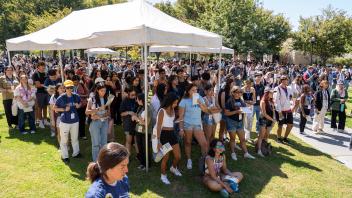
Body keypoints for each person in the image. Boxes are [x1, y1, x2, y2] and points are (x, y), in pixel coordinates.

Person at [179, 83, 209, 170]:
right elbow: (181, 116)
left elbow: (205, 110)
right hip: (187, 124)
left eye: (196, 90)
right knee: (188, 142)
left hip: (197, 124)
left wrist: (200, 104)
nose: (195, 92)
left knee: (204, 143)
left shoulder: (199, 97)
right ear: (188, 91)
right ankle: (189, 159)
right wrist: (181, 128)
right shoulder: (184, 101)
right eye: (193, 90)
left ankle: (205, 161)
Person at [155, 92, 182, 184]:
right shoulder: (162, 111)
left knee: (178, 156)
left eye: (177, 103)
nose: (176, 104)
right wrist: (158, 141)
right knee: (165, 157)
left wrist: (178, 120)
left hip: (172, 134)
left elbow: (171, 121)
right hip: (164, 135)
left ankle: (173, 168)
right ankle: (163, 176)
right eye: (175, 102)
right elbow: (159, 126)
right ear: (170, 101)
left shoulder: (173, 110)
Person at [224, 86, 255, 160]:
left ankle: (246, 153)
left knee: (242, 139)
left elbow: (244, 109)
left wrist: (247, 109)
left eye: (240, 92)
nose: (239, 94)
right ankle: (233, 153)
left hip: (240, 122)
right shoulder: (229, 101)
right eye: (237, 92)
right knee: (232, 139)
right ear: (233, 93)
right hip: (231, 122)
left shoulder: (241, 101)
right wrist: (236, 112)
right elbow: (226, 113)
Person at [54, 80, 82, 163]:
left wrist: (78, 105)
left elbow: (80, 103)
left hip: (75, 121)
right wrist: (63, 109)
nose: (69, 89)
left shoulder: (76, 96)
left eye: (71, 87)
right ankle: (65, 156)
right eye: (68, 87)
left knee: (75, 138)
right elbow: (55, 108)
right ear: (65, 88)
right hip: (65, 122)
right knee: (64, 140)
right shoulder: (61, 97)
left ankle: (76, 153)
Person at [86, 82, 110, 161]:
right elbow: (87, 112)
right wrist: (97, 110)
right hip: (95, 123)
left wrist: (105, 115)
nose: (104, 92)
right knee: (96, 143)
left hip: (104, 122)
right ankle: (95, 161)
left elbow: (108, 111)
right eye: (102, 91)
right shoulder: (92, 99)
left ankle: (103, 160)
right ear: (97, 90)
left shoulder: (107, 98)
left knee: (104, 142)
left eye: (105, 91)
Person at [132, 93, 152, 170]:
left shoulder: (148, 109)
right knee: (140, 148)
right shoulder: (140, 107)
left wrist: (136, 118)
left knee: (145, 148)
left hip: (145, 132)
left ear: (141, 100)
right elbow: (138, 118)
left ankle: (147, 164)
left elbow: (146, 123)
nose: (136, 101)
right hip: (138, 131)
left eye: (137, 99)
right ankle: (142, 163)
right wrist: (135, 117)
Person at [274, 75, 294, 144]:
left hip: (288, 109)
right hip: (280, 110)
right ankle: (279, 138)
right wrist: (279, 112)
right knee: (280, 125)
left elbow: (291, 97)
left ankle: (285, 138)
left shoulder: (289, 88)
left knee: (290, 124)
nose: (286, 81)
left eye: (287, 79)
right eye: (284, 79)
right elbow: (276, 101)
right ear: (281, 81)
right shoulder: (277, 88)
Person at [257, 87, 276, 157]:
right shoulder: (263, 101)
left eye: (273, 93)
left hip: (270, 120)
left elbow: (273, 110)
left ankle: (263, 147)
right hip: (263, 120)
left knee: (267, 135)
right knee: (261, 136)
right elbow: (264, 113)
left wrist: (274, 118)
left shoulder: (271, 101)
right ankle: (259, 150)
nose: (272, 94)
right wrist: (272, 119)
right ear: (267, 93)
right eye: (271, 93)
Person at [32, 61, 49, 129]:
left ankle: (45, 120)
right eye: (42, 65)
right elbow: (38, 85)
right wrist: (46, 85)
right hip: (39, 93)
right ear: (38, 67)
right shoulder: (35, 74)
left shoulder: (46, 73)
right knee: (39, 108)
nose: (43, 67)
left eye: (44, 65)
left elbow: (47, 82)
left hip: (46, 93)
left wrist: (44, 85)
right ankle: (40, 122)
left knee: (45, 107)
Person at [120, 87, 138, 153]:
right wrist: (129, 112)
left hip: (136, 123)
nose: (134, 97)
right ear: (128, 94)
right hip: (128, 123)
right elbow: (121, 113)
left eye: (135, 95)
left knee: (137, 141)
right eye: (132, 95)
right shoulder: (125, 101)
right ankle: (128, 156)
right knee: (129, 141)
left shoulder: (137, 100)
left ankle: (139, 156)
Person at [72, 75, 89, 140]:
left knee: (82, 120)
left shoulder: (82, 85)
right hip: (73, 106)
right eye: (74, 82)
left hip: (82, 105)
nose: (76, 83)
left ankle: (82, 135)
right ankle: (75, 135)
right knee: (74, 120)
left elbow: (87, 94)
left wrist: (80, 95)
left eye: (77, 82)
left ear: (79, 81)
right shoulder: (70, 87)